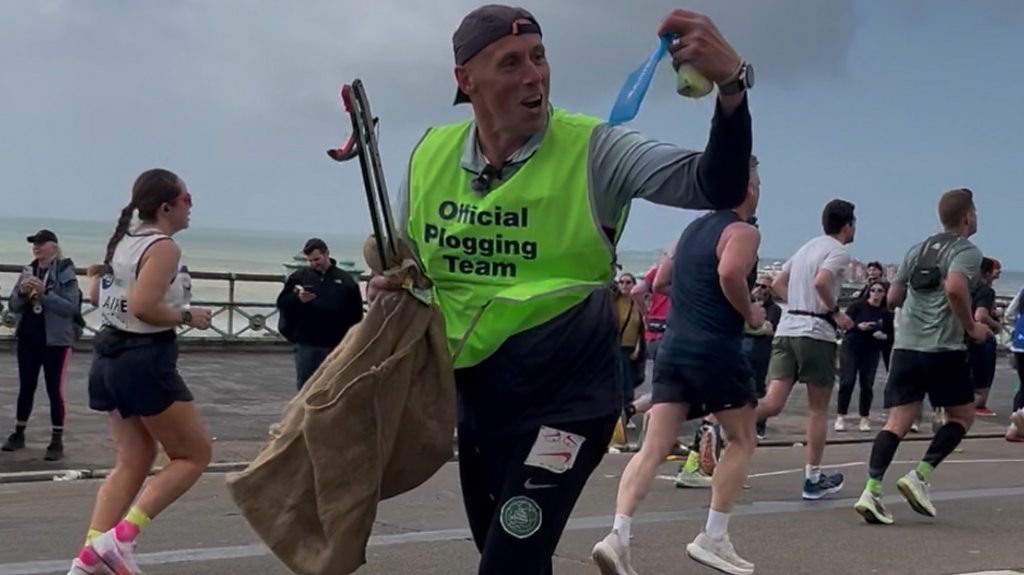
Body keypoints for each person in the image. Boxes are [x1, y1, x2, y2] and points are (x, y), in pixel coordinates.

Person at [371, 5, 756, 573]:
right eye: (510, 63)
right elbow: (414, 271)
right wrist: (391, 286)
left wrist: (731, 85)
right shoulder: (429, 154)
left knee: (506, 565)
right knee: (510, 558)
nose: (534, 76)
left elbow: (715, 184)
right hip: (479, 403)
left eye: (539, 56)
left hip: (568, 404)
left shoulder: (596, 150)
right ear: (465, 80)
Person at [593, 158, 763, 575]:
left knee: (653, 447)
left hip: (673, 348)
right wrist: (751, 314)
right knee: (742, 439)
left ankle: (618, 535)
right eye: (757, 180)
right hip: (715, 350)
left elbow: (662, 279)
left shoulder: (690, 231)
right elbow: (730, 272)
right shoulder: (743, 230)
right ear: (748, 189)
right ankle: (713, 536)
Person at [66, 168, 213, 575]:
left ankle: (87, 561)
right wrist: (188, 316)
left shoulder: (125, 241)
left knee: (134, 458)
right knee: (194, 454)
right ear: (166, 207)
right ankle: (122, 537)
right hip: (144, 358)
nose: (191, 205)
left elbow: (98, 295)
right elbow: (144, 307)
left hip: (109, 357)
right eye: (186, 200)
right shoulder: (163, 247)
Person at [853, 188, 990, 525]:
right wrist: (971, 327)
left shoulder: (918, 248)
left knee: (896, 423)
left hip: (906, 347)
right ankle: (919, 475)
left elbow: (895, 296)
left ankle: (871, 491)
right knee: (961, 417)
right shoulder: (967, 252)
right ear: (968, 217)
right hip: (943, 349)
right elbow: (956, 288)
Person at [755, 199, 856, 501]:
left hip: (788, 329)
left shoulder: (807, 247)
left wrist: (797, 304)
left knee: (772, 402)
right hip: (815, 334)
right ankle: (812, 478)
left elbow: (776, 282)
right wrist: (834, 311)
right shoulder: (838, 251)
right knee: (817, 410)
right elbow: (822, 281)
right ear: (847, 225)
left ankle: (716, 425)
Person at [1, 229, 80, 461]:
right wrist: (24, 293)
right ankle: (18, 433)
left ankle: (56, 440)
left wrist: (44, 293)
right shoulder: (28, 270)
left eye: (41, 243)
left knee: (54, 389)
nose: (36, 247)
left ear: (53, 247)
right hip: (28, 337)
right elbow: (14, 305)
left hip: (55, 340)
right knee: (26, 386)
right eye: (34, 243)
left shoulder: (65, 271)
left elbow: (71, 307)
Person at [276, 237, 364, 390]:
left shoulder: (346, 280)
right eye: (310, 260)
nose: (314, 264)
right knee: (305, 388)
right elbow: (282, 303)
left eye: (317, 259)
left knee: (333, 388)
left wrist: (351, 342)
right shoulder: (299, 277)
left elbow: (356, 314)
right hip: (307, 344)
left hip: (335, 345)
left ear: (327, 254)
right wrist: (298, 299)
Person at [835, 280, 889, 433]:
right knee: (847, 382)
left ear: (884, 294)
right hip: (852, 346)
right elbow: (844, 325)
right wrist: (858, 326)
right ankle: (841, 416)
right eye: (873, 290)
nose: (876, 293)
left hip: (871, 350)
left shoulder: (885, 312)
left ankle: (864, 417)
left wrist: (883, 335)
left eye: (880, 291)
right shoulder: (857, 306)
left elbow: (890, 334)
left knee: (867, 385)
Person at [744, 274, 782, 440]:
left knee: (758, 390)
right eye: (758, 285)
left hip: (760, 355)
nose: (760, 289)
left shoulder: (774, 309)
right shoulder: (745, 303)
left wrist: (751, 325)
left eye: (764, 286)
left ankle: (759, 426)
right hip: (741, 352)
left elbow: (769, 328)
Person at [969, 257, 1001, 416]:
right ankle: (976, 406)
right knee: (983, 378)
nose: (998, 274)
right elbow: (980, 315)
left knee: (969, 374)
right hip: (983, 337)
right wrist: (996, 325)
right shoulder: (987, 291)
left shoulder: (968, 289)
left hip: (966, 336)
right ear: (987, 273)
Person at [614, 272, 646, 420]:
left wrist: (638, 348)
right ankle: (624, 413)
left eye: (628, 282)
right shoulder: (614, 302)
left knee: (631, 379)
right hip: (617, 347)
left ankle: (625, 413)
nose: (624, 285)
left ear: (634, 285)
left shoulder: (636, 304)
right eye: (621, 282)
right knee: (624, 381)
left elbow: (641, 328)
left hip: (632, 348)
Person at [1003, 283, 1023, 442]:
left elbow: (1009, 313)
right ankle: (1019, 418)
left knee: (1023, 385)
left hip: (1019, 344)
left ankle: (1014, 426)